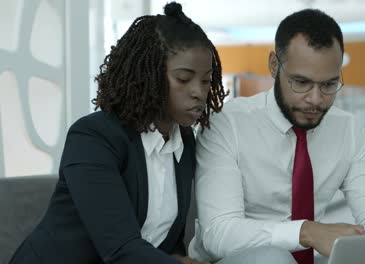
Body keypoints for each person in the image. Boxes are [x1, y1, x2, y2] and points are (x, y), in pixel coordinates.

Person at [9, 2, 226, 264]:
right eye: (183, 78)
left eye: (206, 80)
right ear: (149, 75)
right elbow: (120, 248)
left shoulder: (185, 142)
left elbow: (168, 242)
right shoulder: (93, 138)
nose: (199, 92)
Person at [188, 8, 365, 264]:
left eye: (329, 85)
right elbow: (219, 234)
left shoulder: (348, 130)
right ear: (273, 65)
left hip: (309, 259)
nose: (315, 99)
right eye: (301, 82)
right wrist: (306, 232)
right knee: (273, 260)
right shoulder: (227, 123)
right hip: (236, 259)